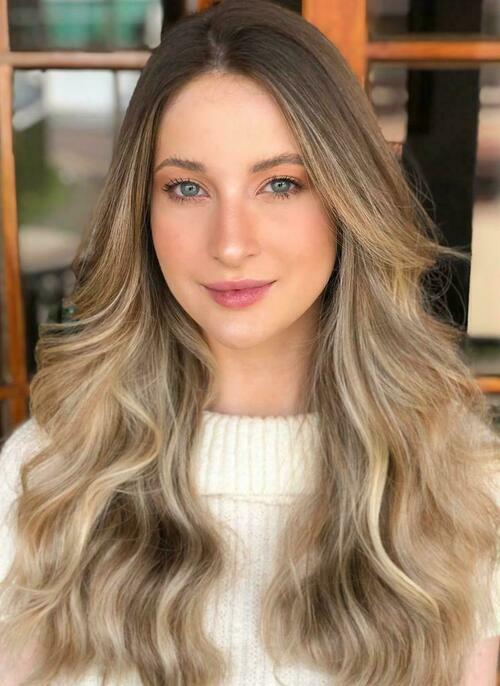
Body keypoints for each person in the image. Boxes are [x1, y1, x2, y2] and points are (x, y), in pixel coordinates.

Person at [0, 1, 498, 684]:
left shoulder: (461, 488)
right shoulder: (49, 479)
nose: (231, 243)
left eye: (280, 184)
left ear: (347, 200)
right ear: (141, 212)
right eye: (187, 187)